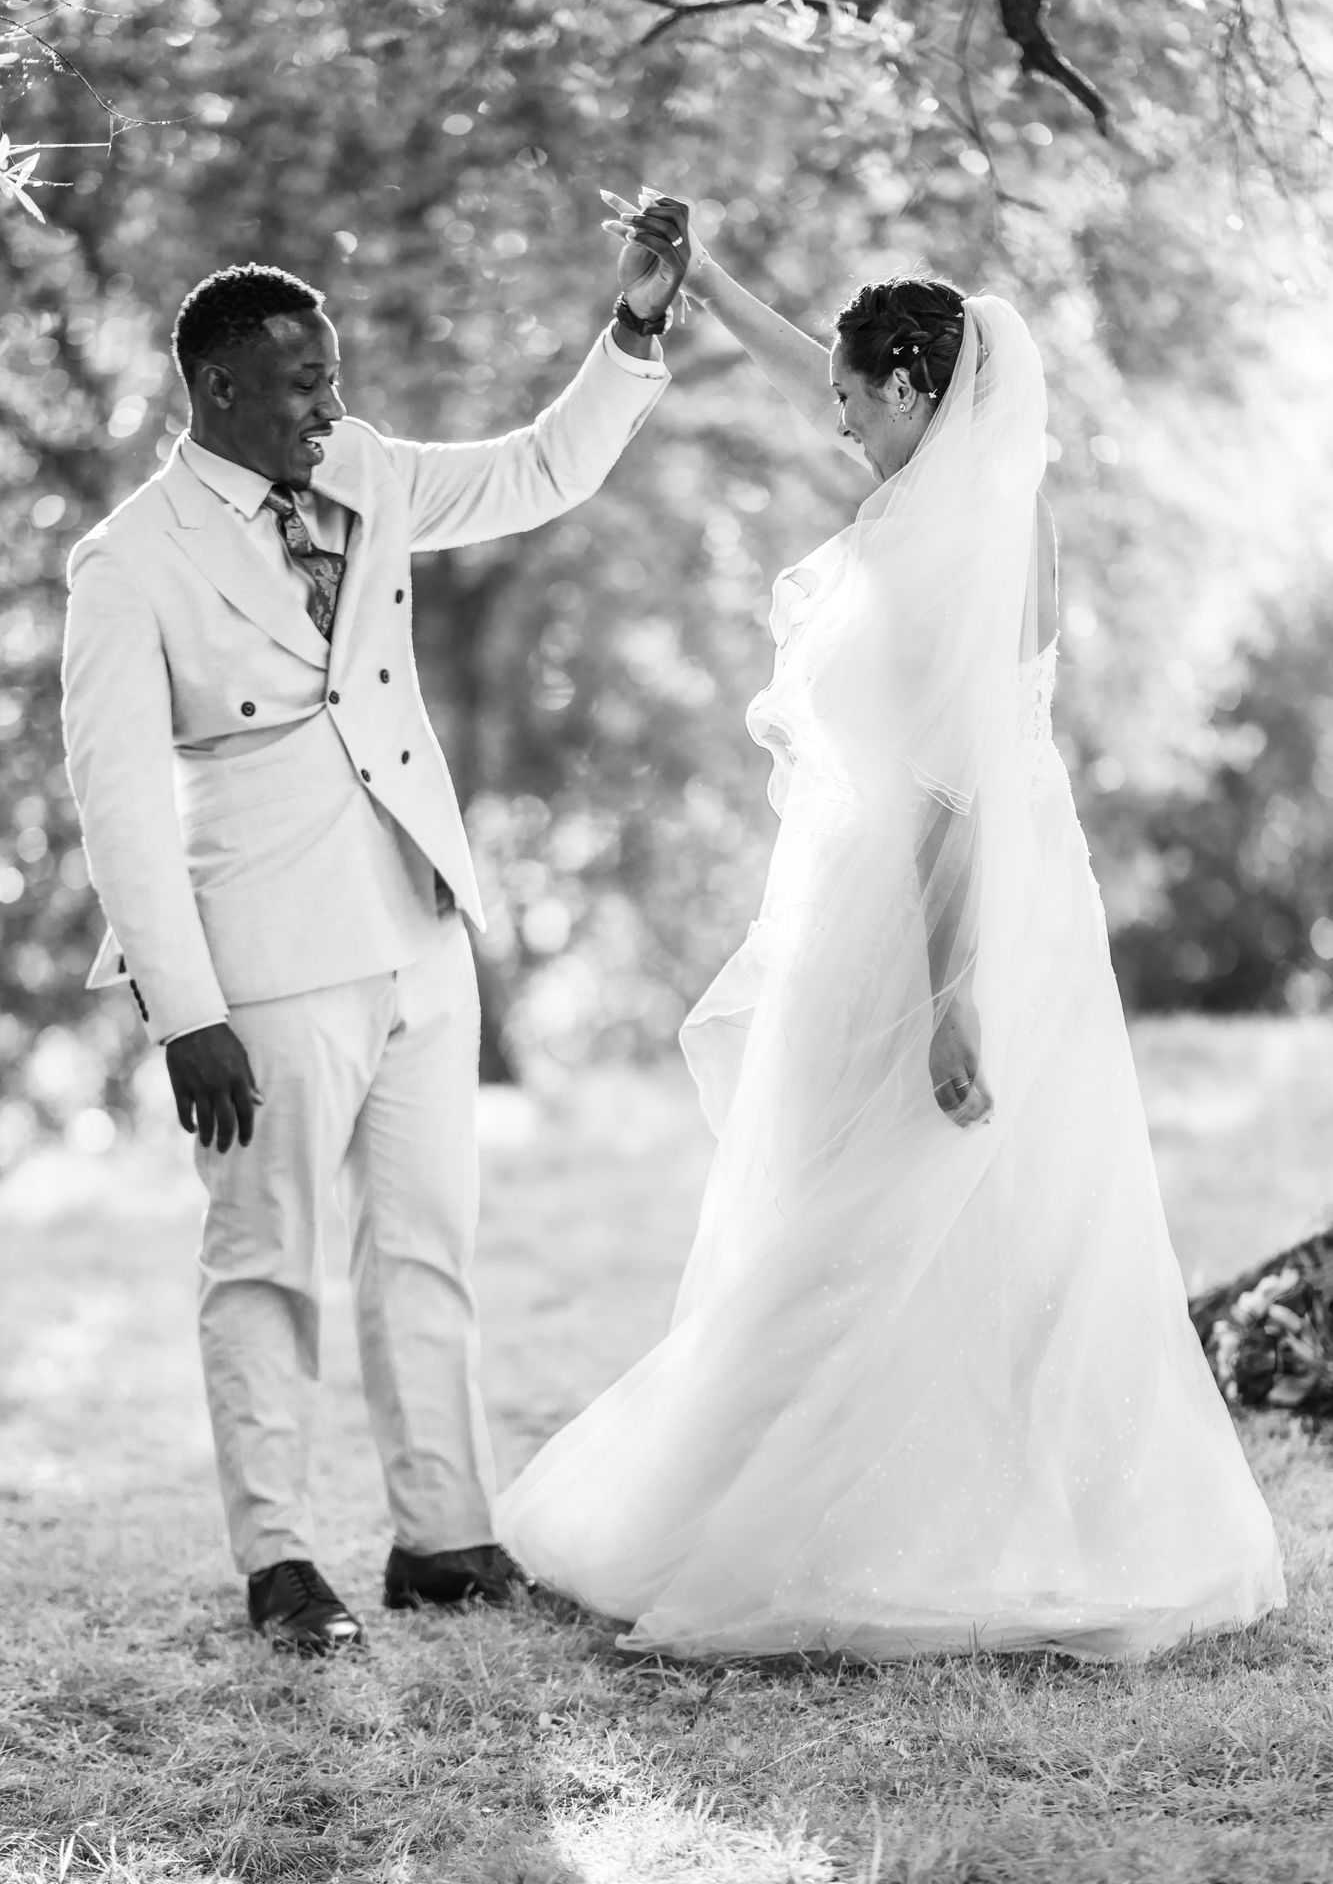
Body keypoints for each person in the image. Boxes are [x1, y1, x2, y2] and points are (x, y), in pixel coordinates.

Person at [497, 201, 1286, 1662]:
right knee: (870, 1199)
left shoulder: (949, 554)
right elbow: (819, 359)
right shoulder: (971, 488)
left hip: (949, 914)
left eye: (859, 402)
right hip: (920, 889)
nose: (838, 423)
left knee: (901, 1196)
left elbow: (956, 799)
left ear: (917, 397)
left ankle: (874, 1525)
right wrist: (705, 273)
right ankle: (839, 1491)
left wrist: (953, 995)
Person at [61, 218, 689, 1656]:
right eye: (299, 386)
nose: (329, 408)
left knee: (427, 1250)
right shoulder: (127, 562)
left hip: (417, 923)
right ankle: (279, 1561)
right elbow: (120, 808)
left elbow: (538, 467)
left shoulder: (361, 470)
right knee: (265, 1261)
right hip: (263, 956)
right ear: (217, 389)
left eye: (332, 379)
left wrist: (633, 332)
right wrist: (182, 1009)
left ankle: (445, 1539)